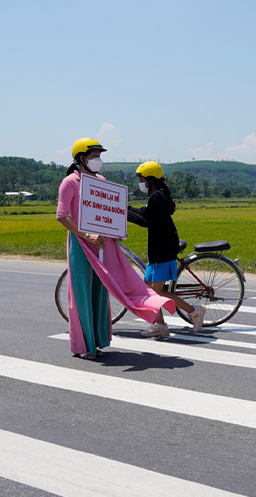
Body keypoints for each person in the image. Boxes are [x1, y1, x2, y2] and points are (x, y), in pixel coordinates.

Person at [56, 138, 176, 360]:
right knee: (82, 293)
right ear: (81, 158)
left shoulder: (100, 180)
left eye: (99, 156)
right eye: (94, 157)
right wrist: (86, 234)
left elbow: (111, 212)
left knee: (102, 292)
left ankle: (98, 341)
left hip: (103, 244)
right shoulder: (70, 183)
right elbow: (62, 216)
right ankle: (84, 346)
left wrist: (117, 230)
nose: (98, 161)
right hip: (82, 244)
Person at [128, 161, 205, 337]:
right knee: (147, 288)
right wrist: (128, 209)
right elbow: (146, 213)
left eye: (141, 180)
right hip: (158, 250)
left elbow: (145, 220)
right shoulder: (158, 195)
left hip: (161, 250)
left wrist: (125, 214)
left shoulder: (156, 197)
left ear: (150, 179)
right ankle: (160, 325)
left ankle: (194, 311)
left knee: (158, 291)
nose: (140, 183)